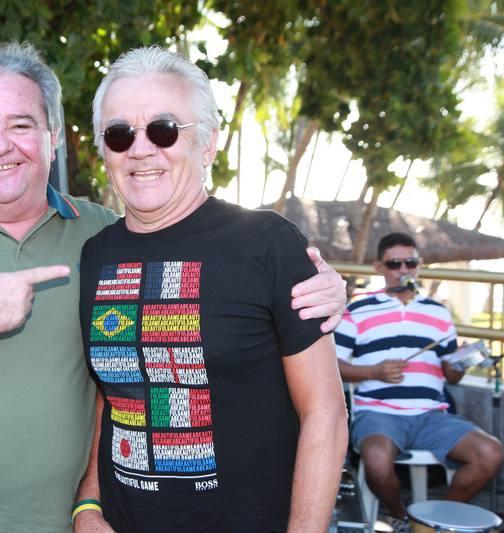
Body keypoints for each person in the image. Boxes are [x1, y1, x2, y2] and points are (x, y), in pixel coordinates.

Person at [0, 42, 345, 532]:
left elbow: (318, 410)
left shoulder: (103, 236)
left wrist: (324, 287)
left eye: (20, 124)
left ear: (53, 137)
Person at [74, 47, 348, 533]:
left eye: (163, 129)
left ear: (207, 143)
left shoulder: (267, 244)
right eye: (119, 134)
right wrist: (88, 507)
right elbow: (114, 394)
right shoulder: (97, 254)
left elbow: (325, 414)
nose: (140, 149)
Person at [335, 232, 504, 532]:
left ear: (419, 265)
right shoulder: (358, 310)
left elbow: (452, 375)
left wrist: (459, 362)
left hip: (431, 415)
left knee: (490, 454)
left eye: (410, 263)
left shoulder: (438, 312)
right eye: (394, 264)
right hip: (378, 413)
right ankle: (401, 517)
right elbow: (333, 366)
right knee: (376, 461)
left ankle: (431, 523)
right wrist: (374, 372)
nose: (403, 270)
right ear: (379, 267)